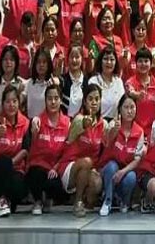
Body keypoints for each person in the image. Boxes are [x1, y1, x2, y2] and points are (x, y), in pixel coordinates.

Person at [57, 83, 105, 217]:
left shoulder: (102, 124)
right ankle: (77, 202)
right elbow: (81, 123)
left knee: (97, 183)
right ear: (84, 102)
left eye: (97, 99)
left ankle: (84, 200)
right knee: (87, 162)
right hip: (69, 167)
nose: (94, 102)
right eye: (90, 99)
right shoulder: (78, 118)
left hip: (89, 169)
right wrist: (85, 123)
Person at [0, 85, 30, 217]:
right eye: (8, 101)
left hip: (16, 168)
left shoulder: (26, 123)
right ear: (3, 104)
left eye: (14, 101)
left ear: (19, 103)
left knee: (19, 187)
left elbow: (25, 150)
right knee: (3, 162)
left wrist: (12, 163)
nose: (11, 105)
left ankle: (4, 199)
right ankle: (1, 197)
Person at [25, 84, 70, 215]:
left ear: (61, 100)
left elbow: (67, 152)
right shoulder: (37, 121)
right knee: (36, 174)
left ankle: (48, 198)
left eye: (56, 98)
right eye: (49, 98)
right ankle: (37, 201)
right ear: (45, 101)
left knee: (55, 186)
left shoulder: (67, 123)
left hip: (55, 167)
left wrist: (56, 168)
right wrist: (34, 130)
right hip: (38, 166)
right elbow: (32, 143)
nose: (53, 102)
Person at [97, 94, 144, 216]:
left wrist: (123, 172)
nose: (129, 111)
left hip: (125, 170)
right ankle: (107, 201)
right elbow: (107, 142)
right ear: (120, 110)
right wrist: (114, 131)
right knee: (112, 166)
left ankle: (124, 201)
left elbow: (137, 159)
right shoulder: (113, 124)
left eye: (132, 107)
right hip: (108, 169)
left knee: (132, 176)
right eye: (126, 107)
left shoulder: (139, 131)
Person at [125, 48, 155, 133]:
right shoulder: (130, 82)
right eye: (140, 61)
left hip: (153, 131)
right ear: (136, 63)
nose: (143, 64)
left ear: (151, 63)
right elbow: (130, 91)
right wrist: (137, 95)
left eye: (146, 61)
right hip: (134, 131)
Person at [89, 46, 125, 121]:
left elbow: (122, 105)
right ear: (100, 61)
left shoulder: (119, 82)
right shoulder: (93, 81)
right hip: (97, 122)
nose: (108, 62)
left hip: (115, 123)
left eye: (112, 59)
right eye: (105, 59)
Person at [88, 6, 124, 74]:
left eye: (110, 18)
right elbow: (92, 68)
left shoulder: (119, 40)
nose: (108, 21)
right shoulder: (94, 41)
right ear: (99, 22)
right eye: (104, 19)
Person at [24, 48, 57, 117]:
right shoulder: (28, 84)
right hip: (31, 121)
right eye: (38, 62)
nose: (41, 65)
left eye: (44, 62)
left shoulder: (52, 84)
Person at [60, 45, 88, 117]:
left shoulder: (87, 82)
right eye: (72, 57)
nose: (74, 60)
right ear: (67, 59)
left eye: (77, 57)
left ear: (82, 59)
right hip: (64, 120)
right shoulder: (62, 80)